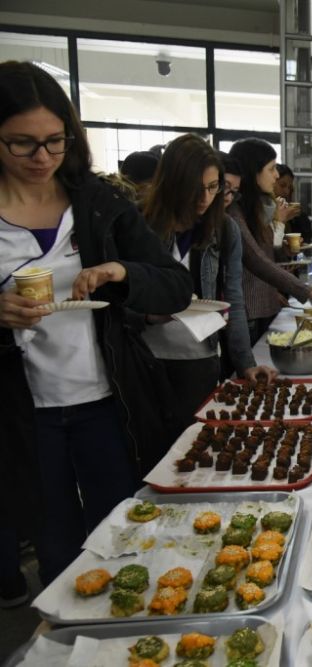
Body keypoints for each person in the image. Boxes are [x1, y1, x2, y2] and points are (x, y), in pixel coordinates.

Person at [0, 61, 192, 584]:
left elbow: (175, 285)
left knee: (122, 533)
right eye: (21, 143)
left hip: (108, 401)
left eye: (54, 141)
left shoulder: (98, 201)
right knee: (55, 543)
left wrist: (121, 270)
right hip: (22, 412)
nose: (42, 158)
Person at [140, 135, 276, 440]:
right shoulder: (139, 224)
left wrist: (245, 364)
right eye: (196, 188)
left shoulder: (224, 229)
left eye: (214, 187)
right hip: (147, 360)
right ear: (172, 182)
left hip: (200, 358)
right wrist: (147, 316)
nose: (205, 198)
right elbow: (119, 299)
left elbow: (233, 300)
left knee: (198, 444)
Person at [226, 140, 312, 344]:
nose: (275, 175)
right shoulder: (235, 212)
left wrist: (283, 249)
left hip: (265, 305)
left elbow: (266, 254)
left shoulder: (256, 208)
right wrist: (307, 290)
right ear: (253, 171)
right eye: (271, 168)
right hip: (250, 310)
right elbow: (256, 260)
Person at [273, 163, 312, 245]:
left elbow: (306, 237)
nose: (286, 191)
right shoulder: (263, 211)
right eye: (282, 185)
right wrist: (282, 219)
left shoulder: (292, 211)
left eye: (289, 188)